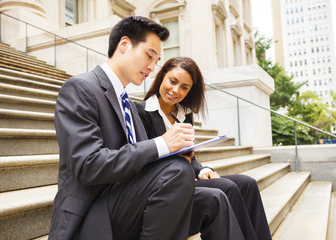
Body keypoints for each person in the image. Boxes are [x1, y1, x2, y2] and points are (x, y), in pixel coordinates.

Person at [49, 16, 202, 240]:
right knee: (176, 172)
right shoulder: (81, 88)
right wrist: (162, 143)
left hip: (125, 199)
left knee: (217, 196)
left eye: (156, 60)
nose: (152, 67)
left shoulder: (128, 104)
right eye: (149, 55)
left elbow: (141, 163)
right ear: (124, 45)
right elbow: (87, 165)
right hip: (91, 211)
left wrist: (177, 153)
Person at [136, 56, 272, 240]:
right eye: (173, 81)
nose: (176, 90)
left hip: (187, 178)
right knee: (227, 187)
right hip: (165, 186)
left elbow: (190, 158)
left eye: (184, 87)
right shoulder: (141, 112)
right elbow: (141, 157)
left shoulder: (184, 115)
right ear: (162, 77)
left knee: (248, 184)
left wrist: (202, 170)